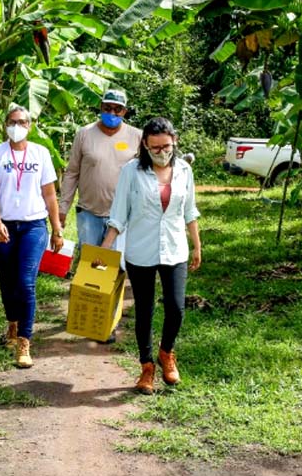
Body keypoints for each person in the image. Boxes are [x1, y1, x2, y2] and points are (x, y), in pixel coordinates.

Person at [100, 117, 201, 395]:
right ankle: (146, 366)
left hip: (175, 248)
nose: (161, 152)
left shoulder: (184, 170)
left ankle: (166, 352)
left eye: (166, 146)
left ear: (175, 142)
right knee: (144, 309)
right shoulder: (131, 171)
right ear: (145, 145)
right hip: (140, 249)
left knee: (176, 307)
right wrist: (106, 247)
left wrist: (197, 245)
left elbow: (189, 211)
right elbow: (119, 214)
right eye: (154, 148)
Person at [0, 104, 64, 368]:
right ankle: (12, 324)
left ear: (29, 126)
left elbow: (49, 194)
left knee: (26, 281)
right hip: (5, 225)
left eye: (22, 122)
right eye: (12, 121)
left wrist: (56, 228)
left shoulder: (41, 153)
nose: (16, 126)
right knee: (7, 279)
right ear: (5, 124)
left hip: (33, 226)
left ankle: (24, 341)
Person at [58, 88, 142, 261]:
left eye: (117, 109)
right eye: (107, 108)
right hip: (89, 212)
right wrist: (63, 208)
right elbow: (72, 173)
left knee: (117, 264)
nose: (112, 113)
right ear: (101, 107)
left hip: (123, 213)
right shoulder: (84, 134)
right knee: (90, 262)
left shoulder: (137, 136)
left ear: (124, 111)